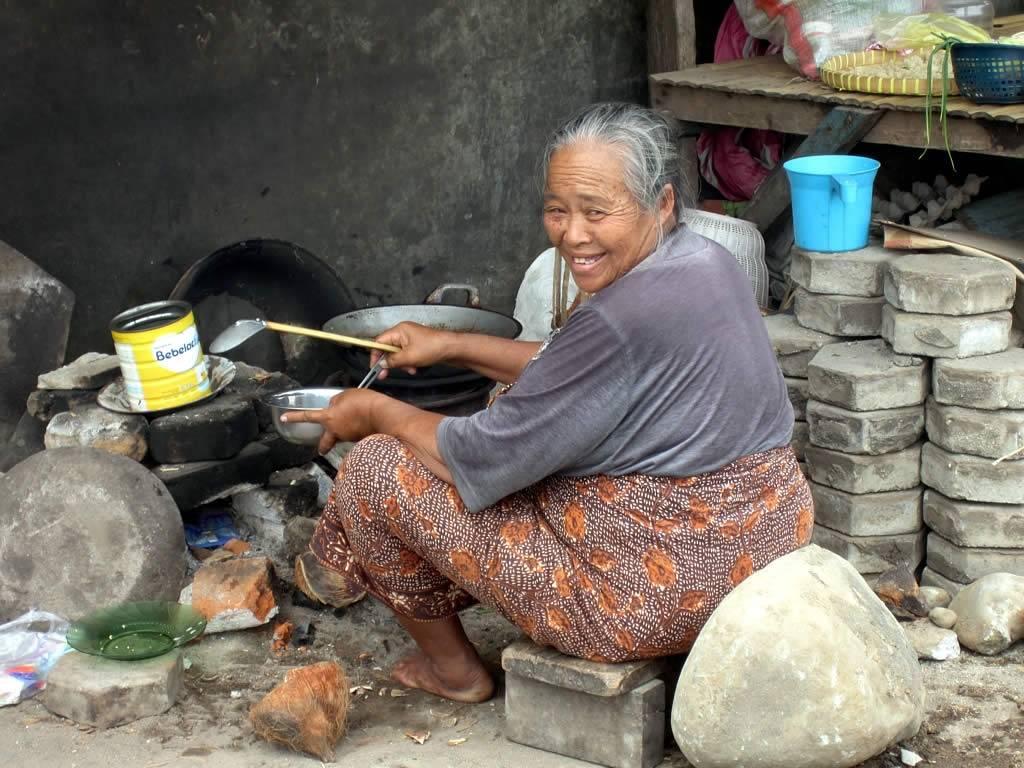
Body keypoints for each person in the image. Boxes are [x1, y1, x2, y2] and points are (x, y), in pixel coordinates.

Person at [281, 102, 813, 704]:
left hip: (656, 592)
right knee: (507, 399)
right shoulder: (703, 262)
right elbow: (573, 368)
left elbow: (477, 457)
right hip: (767, 542)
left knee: (376, 471)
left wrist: (373, 413)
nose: (572, 234)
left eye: (596, 212)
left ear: (661, 203)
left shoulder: (621, 316)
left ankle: (454, 673)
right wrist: (449, 345)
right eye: (557, 211)